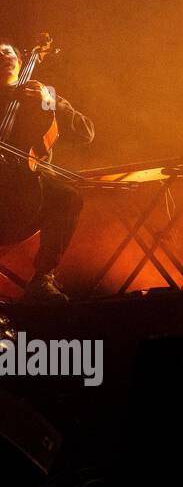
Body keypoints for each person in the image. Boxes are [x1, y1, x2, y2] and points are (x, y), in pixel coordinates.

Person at [0, 40, 95, 304]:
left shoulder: (44, 95)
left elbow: (85, 133)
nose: (2, 56)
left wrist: (49, 103)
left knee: (67, 196)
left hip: (27, 201)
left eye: (7, 52)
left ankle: (43, 278)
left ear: (20, 61)